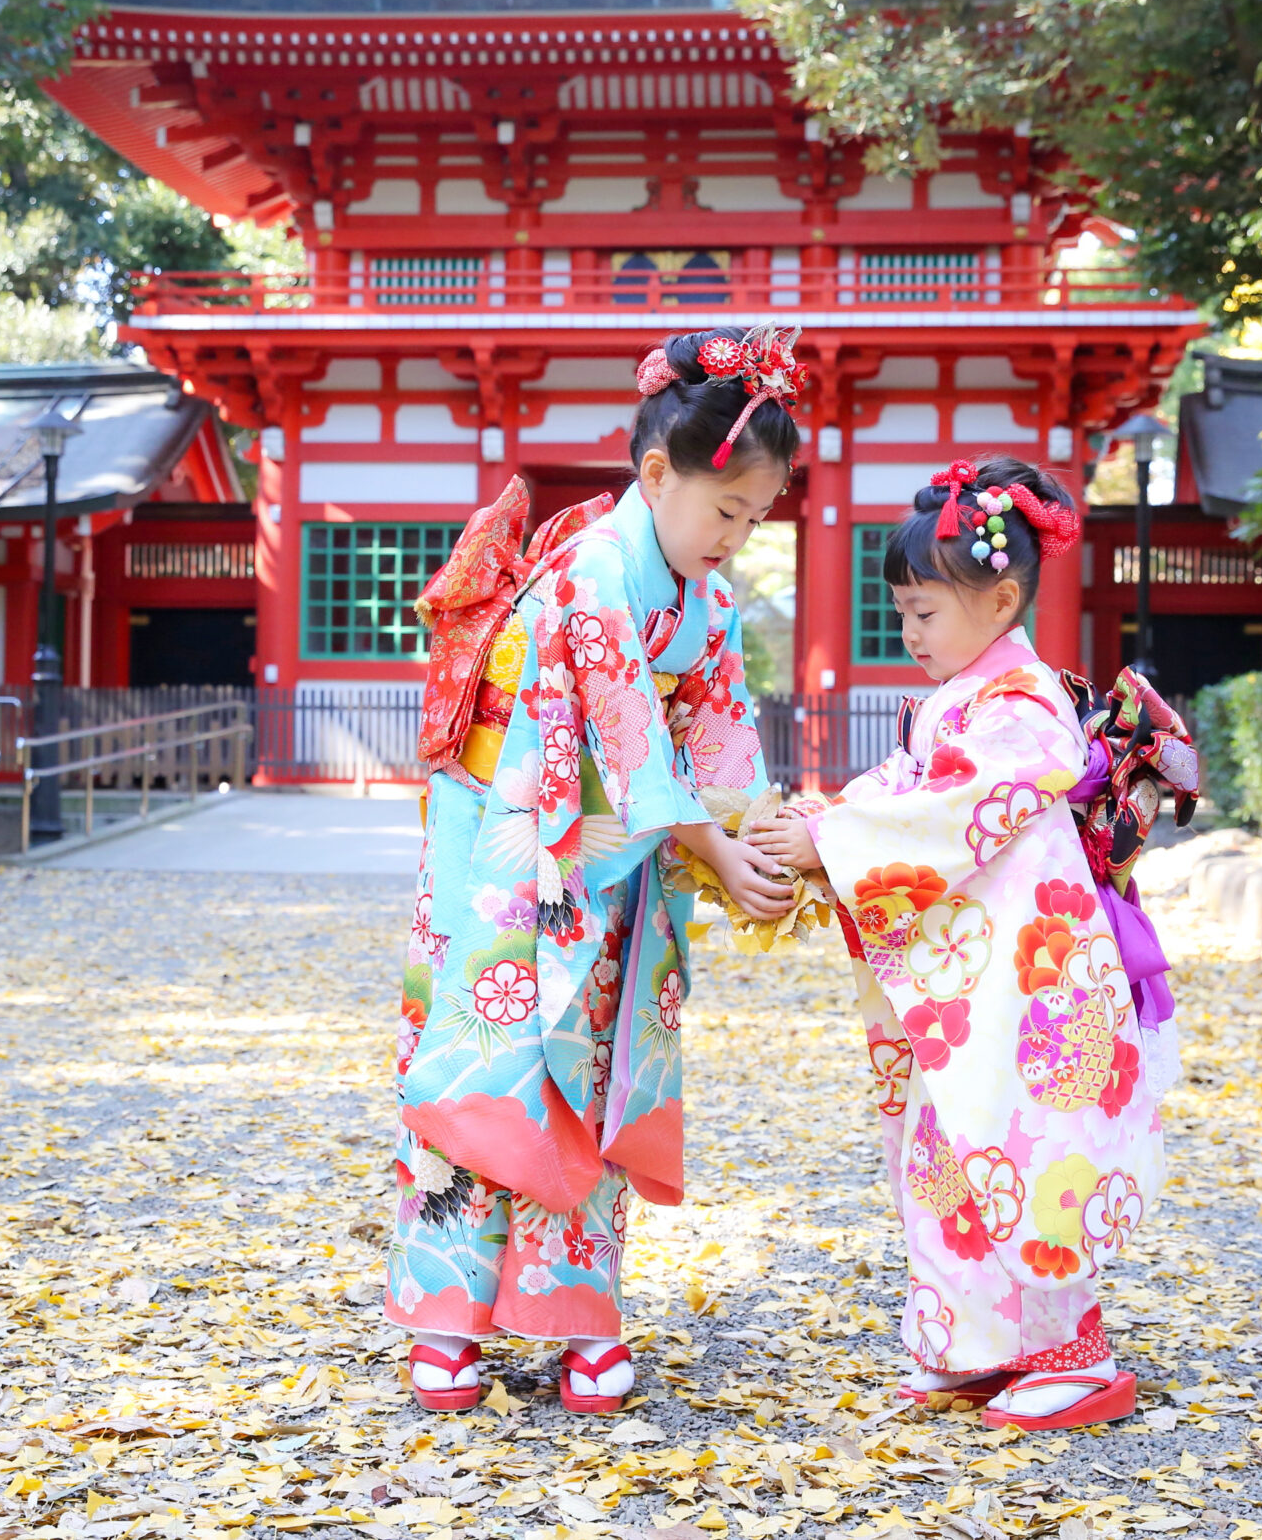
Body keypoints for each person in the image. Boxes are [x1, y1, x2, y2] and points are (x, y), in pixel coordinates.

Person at [389, 326, 800, 1415]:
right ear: (656, 474)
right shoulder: (587, 572)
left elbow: (719, 742)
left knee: (594, 1059)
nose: (739, 538)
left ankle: (578, 1315)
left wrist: (759, 836)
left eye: (756, 519)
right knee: (487, 1055)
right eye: (727, 512)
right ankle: (448, 1322)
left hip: (607, 860)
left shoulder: (702, 603)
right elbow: (625, 726)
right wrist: (708, 840)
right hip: (503, 845)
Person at [748, 454, 1195, 1431]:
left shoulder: (1024, 708)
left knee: (1027, 1142)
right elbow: (910, 788)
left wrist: (826, 838)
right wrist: (824, 826)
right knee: (949, 1144)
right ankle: (980, 1341)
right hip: (975, 976)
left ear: (999, 601)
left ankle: (1073, 1352)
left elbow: (949, 805)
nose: (907, 634)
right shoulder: (970, 699)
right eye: (901, 612)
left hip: (1029, 981)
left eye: (923, 614)